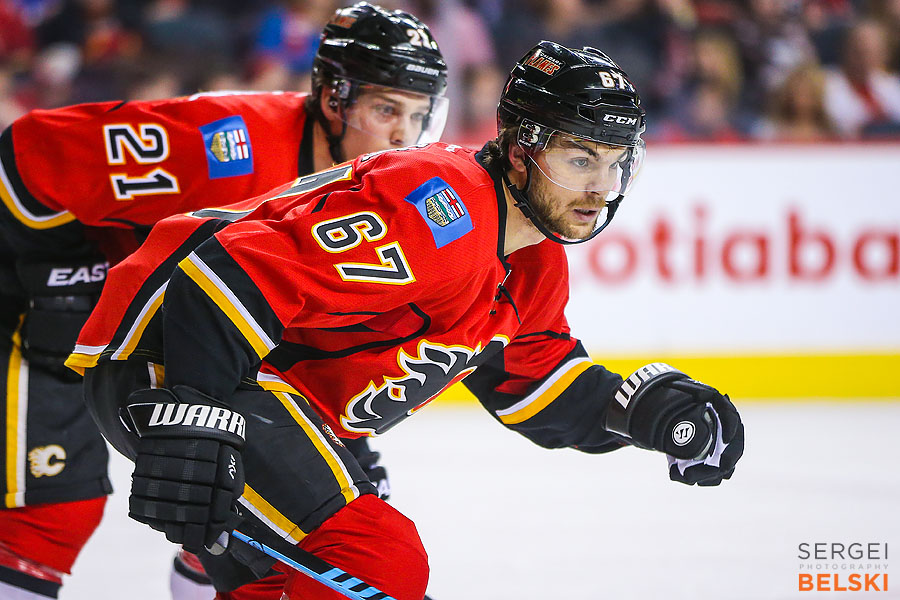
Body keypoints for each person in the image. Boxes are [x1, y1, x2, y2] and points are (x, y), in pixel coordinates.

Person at [68, 41, 744, 600]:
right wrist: (194, 411)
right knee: (373, 559)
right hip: (174, 358)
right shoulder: (437, 208)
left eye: (613, 163)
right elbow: (227, 273)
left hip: (261, 389)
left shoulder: (534, 259)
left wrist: (645, 413)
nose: (599, 189)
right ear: (519, 150)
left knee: (296, 576)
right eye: (578, 158)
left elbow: (538, 386)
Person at [0, 3, 447, 599]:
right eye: (385, 109)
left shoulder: (379, 193)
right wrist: (64, 275)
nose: (402, 135)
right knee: (52, 515)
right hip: (43, 309)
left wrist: (342, 442)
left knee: (233, 517)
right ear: (333, 98)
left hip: (160, 336)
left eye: (418, 115)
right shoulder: (222, 143)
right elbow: (25, 156)